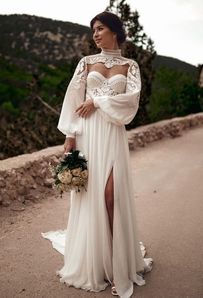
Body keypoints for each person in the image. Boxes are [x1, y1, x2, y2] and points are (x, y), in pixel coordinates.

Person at [43, 11, 153, 298]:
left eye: (100, 28)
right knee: (92, 197)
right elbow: (73, 100)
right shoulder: (86, 62)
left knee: (110, 196)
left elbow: (130, 103)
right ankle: (96, 262)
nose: (95, 34)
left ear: (115, 31)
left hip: (112, 135)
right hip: (87, 135)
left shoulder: (130, 66)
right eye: (93, 29)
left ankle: (119, 268)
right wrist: (69, 136)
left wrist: (98, 100)